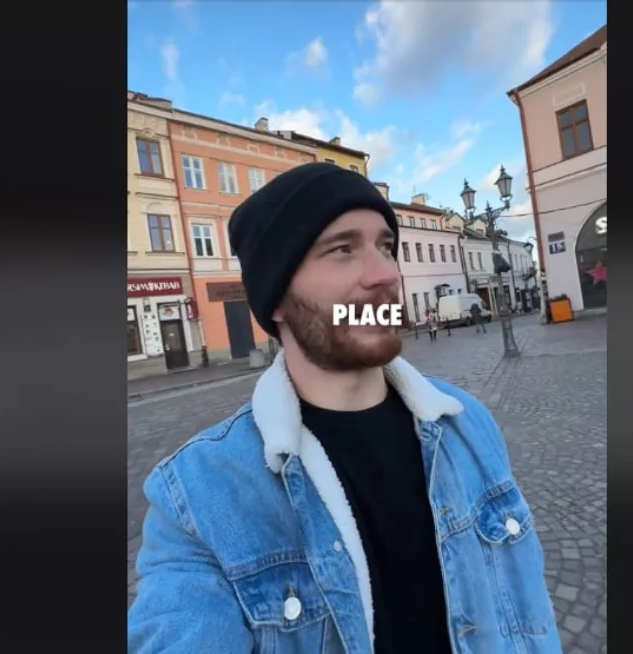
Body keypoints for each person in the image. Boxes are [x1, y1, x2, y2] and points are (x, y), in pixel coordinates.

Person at [127, 162, 562, 654]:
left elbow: (529, 613)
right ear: (276, 299)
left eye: (386, 247)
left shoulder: (467, 423)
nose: (386, 275)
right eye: (342, 249)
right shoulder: (199, 496)